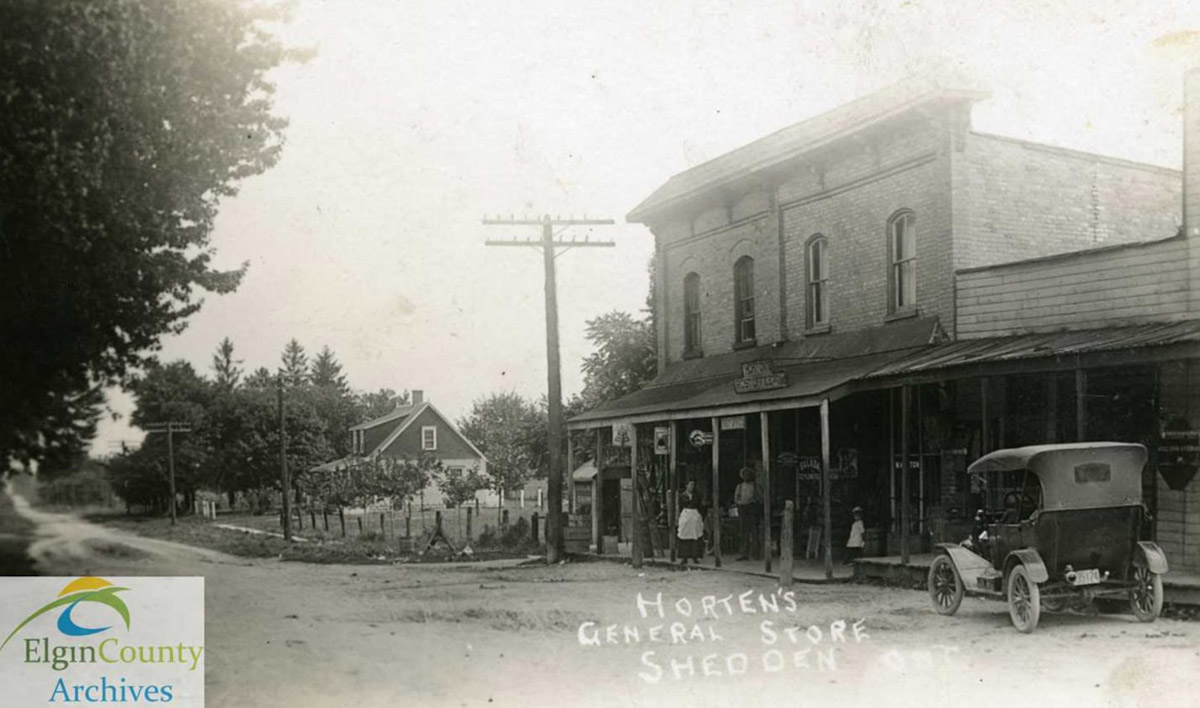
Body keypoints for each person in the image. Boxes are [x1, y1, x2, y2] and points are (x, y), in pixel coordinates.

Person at [734, 467, 762, 561]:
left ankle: (755, 553)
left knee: (754, 532)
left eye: (748, 474)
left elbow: (760, 497)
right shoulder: (740, 486)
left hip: (752, 509)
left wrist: (754, 501)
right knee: (743, 532)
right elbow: (736, 498)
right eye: (745, 475)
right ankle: (743, 553)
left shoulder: (755, 486)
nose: (746, 476)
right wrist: (739, 502)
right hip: (743, 509)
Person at [677, 480, 703, 564]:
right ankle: (684, 557)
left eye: (693, 485)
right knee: (684, 536)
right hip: (686, 514)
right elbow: (680, 506)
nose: (692, 487)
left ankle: (695, 556)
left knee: (695, 536)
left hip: (694, 514)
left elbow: (699, 506)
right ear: (686, 485)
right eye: (690, 485)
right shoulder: (682, 496)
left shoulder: (696, 496)